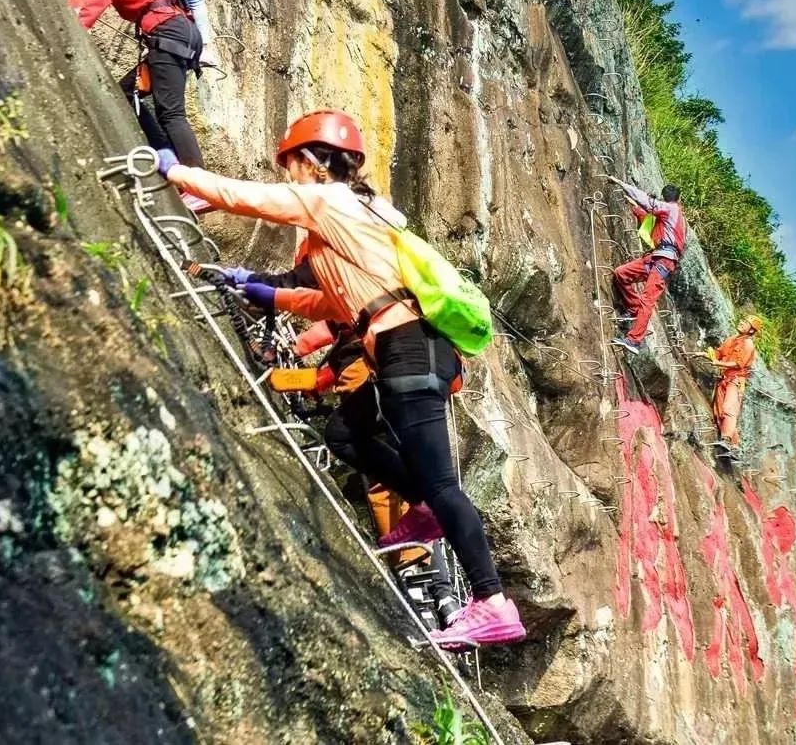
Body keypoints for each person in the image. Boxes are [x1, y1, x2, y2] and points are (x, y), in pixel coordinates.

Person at [156, 109, 526, 649]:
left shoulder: (330, 201)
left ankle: (492, 602)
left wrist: (178, 172)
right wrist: (270, 294)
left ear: (309, 162)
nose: (288, 176)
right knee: (345, 435)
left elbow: (249, 198)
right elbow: (338, 301)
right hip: (403, 349)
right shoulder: (363, 217)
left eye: (290, 166)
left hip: (408, 351)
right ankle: (421, 510)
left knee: (444, 484)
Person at [75, 0, 205, 168]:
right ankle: (169, 161)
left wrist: (78, 27)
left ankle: (197, 183)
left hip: (168, 31)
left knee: (171, 113)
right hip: (174, 31)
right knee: (126, 93)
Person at [609, 178, 687, 355]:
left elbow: (647, 203)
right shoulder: (669, 217)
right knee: (622, 273)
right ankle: (634, 309)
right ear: (679, 198)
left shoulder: (671, 209)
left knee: (648, 299)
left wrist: (622, 185)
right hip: (656, 258)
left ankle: (634, 340)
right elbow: (651, 222)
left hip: (664, 261)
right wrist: (636, 208)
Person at [708, 316, 763, 450]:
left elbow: (739, 364)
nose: (741, 322)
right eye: (742, 320)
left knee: (729, 409)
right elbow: (719, 353)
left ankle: (726, 440)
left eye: (745, 323)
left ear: (751, 331)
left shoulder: (748, 344)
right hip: (724, 379)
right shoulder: (731, 339)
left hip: (736, 380)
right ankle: (734, 446)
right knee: (719, 412)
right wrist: (702, 354)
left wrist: (718, 363)